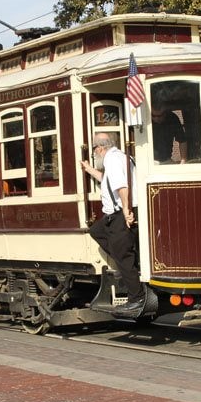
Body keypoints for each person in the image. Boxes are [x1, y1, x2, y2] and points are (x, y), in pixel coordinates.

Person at [80, 132, 144, 315]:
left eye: (94, 150)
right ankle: (127, 266)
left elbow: (121, 186)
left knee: (124, 257)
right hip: (113, 216)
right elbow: (108, 181)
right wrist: (90, 170)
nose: (95, 154)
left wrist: (126, 210)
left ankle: (136, 298)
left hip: (119, 215)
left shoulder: (112, 160)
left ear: (100, 148)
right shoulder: (120, 157)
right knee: (96, 231)